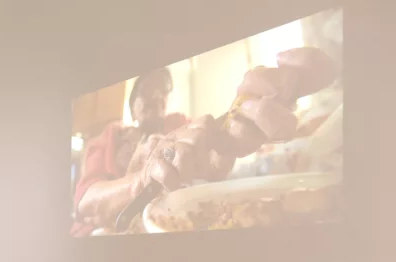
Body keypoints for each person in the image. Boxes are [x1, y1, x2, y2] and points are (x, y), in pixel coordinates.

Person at [71, 47, 338, 236]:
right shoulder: (110, 135)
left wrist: (238, 122)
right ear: (132, 105)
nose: (156, 99)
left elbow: (209, 160)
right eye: (147, 93)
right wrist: (140, 180)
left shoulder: (177, 124)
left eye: (162, 93)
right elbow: (85, 201)